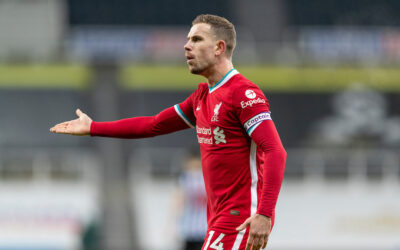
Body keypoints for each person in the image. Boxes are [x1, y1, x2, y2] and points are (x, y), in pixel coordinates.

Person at [50, 14, 287, 250]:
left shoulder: (243, 93)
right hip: (219, 220)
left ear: (219, 47)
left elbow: (275, 150)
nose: (186, 46)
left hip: (240, 219)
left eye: (196, 39)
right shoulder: (202, 97)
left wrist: (264, 214)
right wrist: (93, 127)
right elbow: (153, 124)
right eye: (187, 39)